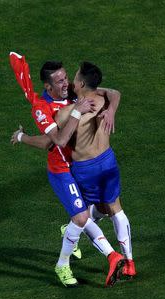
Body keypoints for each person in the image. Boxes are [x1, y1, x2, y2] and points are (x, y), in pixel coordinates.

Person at [12, 60, 136, 282]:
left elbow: (113, 93)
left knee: (102, 210)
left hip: (83, 167)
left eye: (66, 77)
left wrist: (111, 112)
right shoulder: (41, 109)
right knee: (81, 217)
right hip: (62, 171)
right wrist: (22, 137)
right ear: (49, 87)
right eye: (59, 81)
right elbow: (55, 141)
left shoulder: (72, 89)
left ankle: (74, 233)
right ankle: (69, 264)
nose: (66, 83)